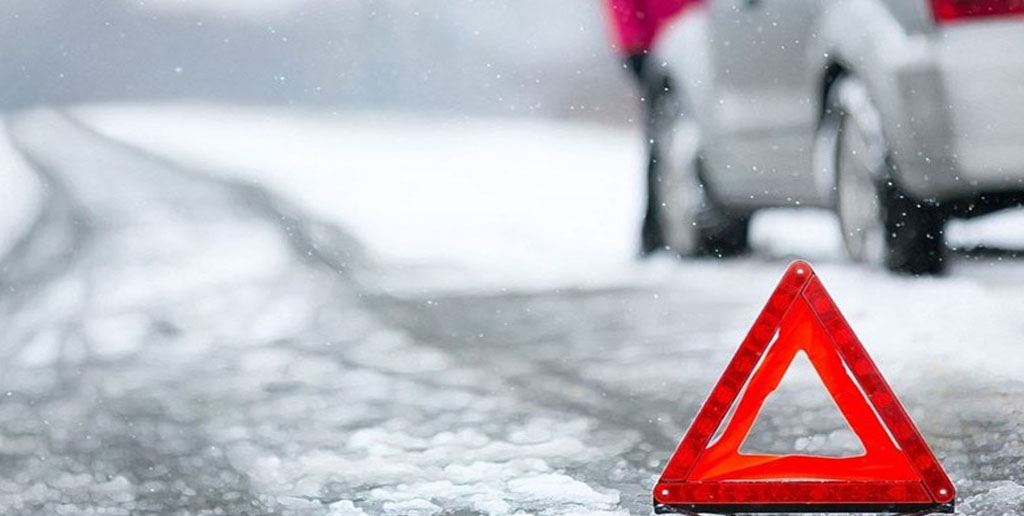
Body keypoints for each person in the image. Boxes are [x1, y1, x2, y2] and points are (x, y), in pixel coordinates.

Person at [603, 0, 700, 255]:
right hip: (659, 52)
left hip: (700, 47)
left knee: (689, 144)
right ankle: (656, 232)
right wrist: (633, 45)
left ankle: (701, 228)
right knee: (664, 147)